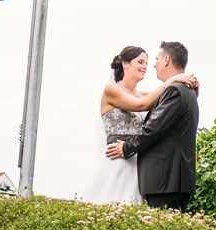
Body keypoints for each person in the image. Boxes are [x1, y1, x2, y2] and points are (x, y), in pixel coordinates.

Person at [77, 45, 198, 205]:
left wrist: (186, 85)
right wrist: (172, 80)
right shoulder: (112, 90)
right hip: (117, 155)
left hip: (136, 159)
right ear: (125, 64)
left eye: (146, 63)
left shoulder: (142, 94)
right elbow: (142, 105)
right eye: (140, 62)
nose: (146, 67)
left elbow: (169, 98)